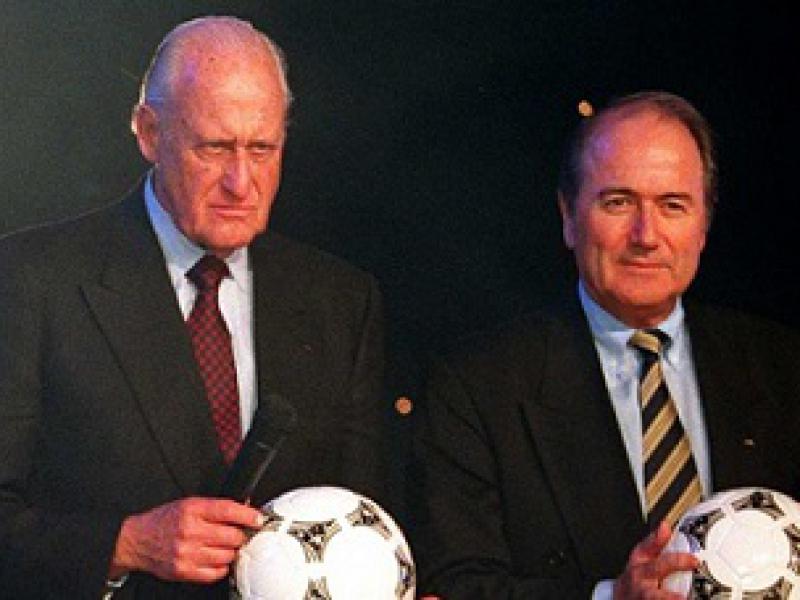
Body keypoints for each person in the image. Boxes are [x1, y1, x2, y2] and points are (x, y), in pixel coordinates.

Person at [0, 16, 386, 599]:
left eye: (263, 149)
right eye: (215, 148)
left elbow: (363, 519)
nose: (241, 183)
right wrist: (125, 545)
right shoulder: (31, 281)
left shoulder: (341, 301)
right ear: (148, 133)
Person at [412, 91, 800, 598]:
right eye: (618, 202)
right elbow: (456, 584)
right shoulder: (477, 387)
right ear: (569, 216)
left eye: (673, 205)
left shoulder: (782, 369)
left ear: (703, 225)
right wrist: (608, 597)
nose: (646, 235)